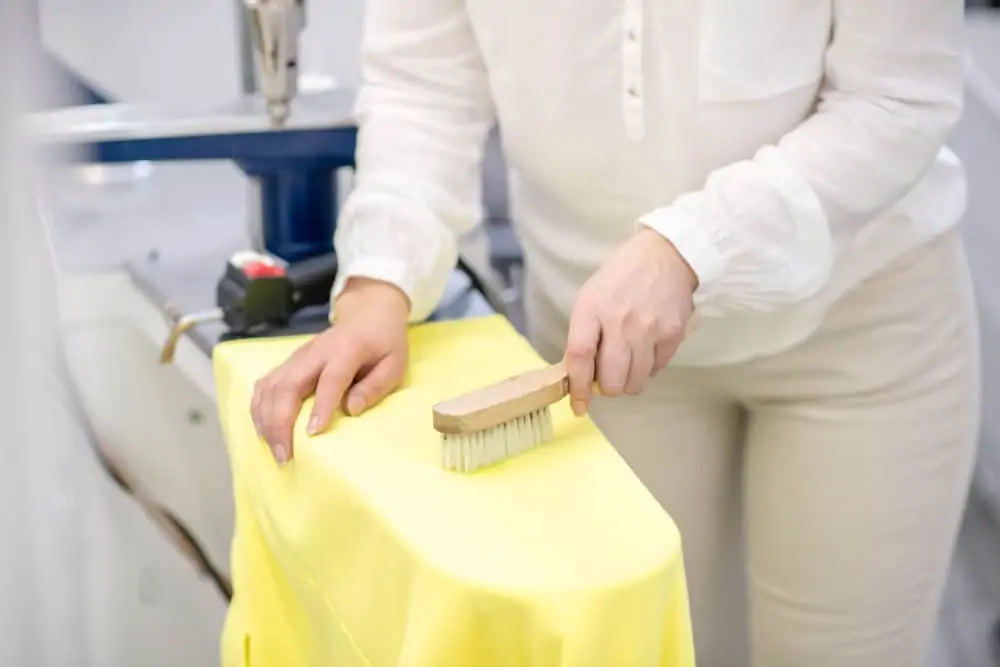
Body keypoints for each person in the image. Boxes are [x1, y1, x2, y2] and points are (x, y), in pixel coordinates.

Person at [251, 1, 980, 665]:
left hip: (858, 336)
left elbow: (896, 97)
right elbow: (423, 85)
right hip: (602, 364)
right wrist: (381, 279)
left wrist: (693, 245)